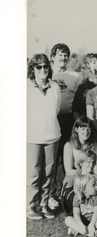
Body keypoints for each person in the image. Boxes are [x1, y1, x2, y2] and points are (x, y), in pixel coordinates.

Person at [27, 53, 61, 220]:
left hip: (52, 136)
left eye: (45, 66)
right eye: (38, 67)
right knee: (34, 172)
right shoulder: (25, 87)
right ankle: (31, 205)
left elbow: (56, 109)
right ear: (33, 69)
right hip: (32, 138)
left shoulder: (55, 87)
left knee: (49, 173)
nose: (42, 70)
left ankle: (44, 203)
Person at [50, 43, 83, 208]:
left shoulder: (75, 76)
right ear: (53, 57)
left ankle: (66, 190)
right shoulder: (47, 73)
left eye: (65, 55)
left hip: (69, 118)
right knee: (52, 157)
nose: (63, 58)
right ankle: (51, 193)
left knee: (67, 154)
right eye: (59, 54)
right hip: (50, 119)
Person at [61, 117, 97, 214]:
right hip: (75, 176)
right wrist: (83, 175)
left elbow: (96, 166)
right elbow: (68, 170)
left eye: (88, 129)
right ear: (76, 130)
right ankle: (75, 209)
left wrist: (95, 177)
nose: (86, 132)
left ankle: (94, 208)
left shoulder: (93, 144)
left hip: (90, 173)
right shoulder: (69, 145)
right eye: (83, 129)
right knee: (74, 186)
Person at [64, 173, 97, 237]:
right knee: (67, 219)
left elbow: (96, 212)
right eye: (93, 185)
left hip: (94, 221)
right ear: (84, 190)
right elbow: (76, 213)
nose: (96, 187)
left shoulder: (96, 197)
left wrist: (92, 224)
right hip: (82, 221)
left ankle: (78, 230)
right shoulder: (77, 197)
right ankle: (89, 232)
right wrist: (81, 224)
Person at [72, 53, 97, 119]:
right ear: (88, 65)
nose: (96, 65)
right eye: (93, 63)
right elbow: (75, 108)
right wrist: (79, 123)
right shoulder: (82, 87)